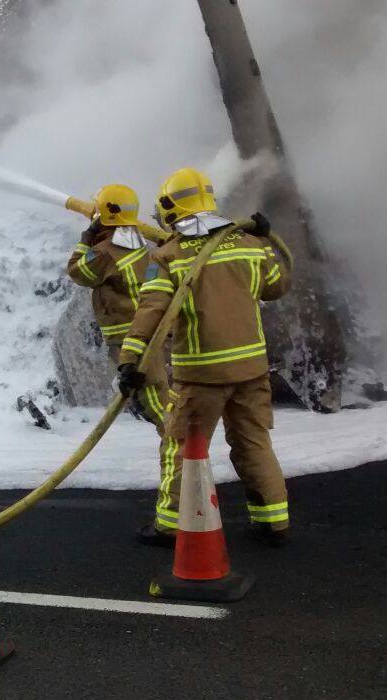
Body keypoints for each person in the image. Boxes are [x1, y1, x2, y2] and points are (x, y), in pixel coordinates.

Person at [116, 168, 292, 547]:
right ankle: (272, 521)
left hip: (202, 376)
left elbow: (151, 311)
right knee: (253, 443)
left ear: (170, 208)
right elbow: (277, 286)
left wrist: (129, 359)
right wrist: (265, 240)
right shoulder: (248, 243)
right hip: (252, 370)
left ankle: (170, 526)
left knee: (181, 448)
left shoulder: (170, 255)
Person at [64, 184, 183, 546]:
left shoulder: (104, 252)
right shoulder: (146, 246)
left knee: (167, 423)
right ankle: (187, 489)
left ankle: (176, 511)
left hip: (131, 346)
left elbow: (76, 272)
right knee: (169, 409)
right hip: (157, 339)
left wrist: (86, 237)